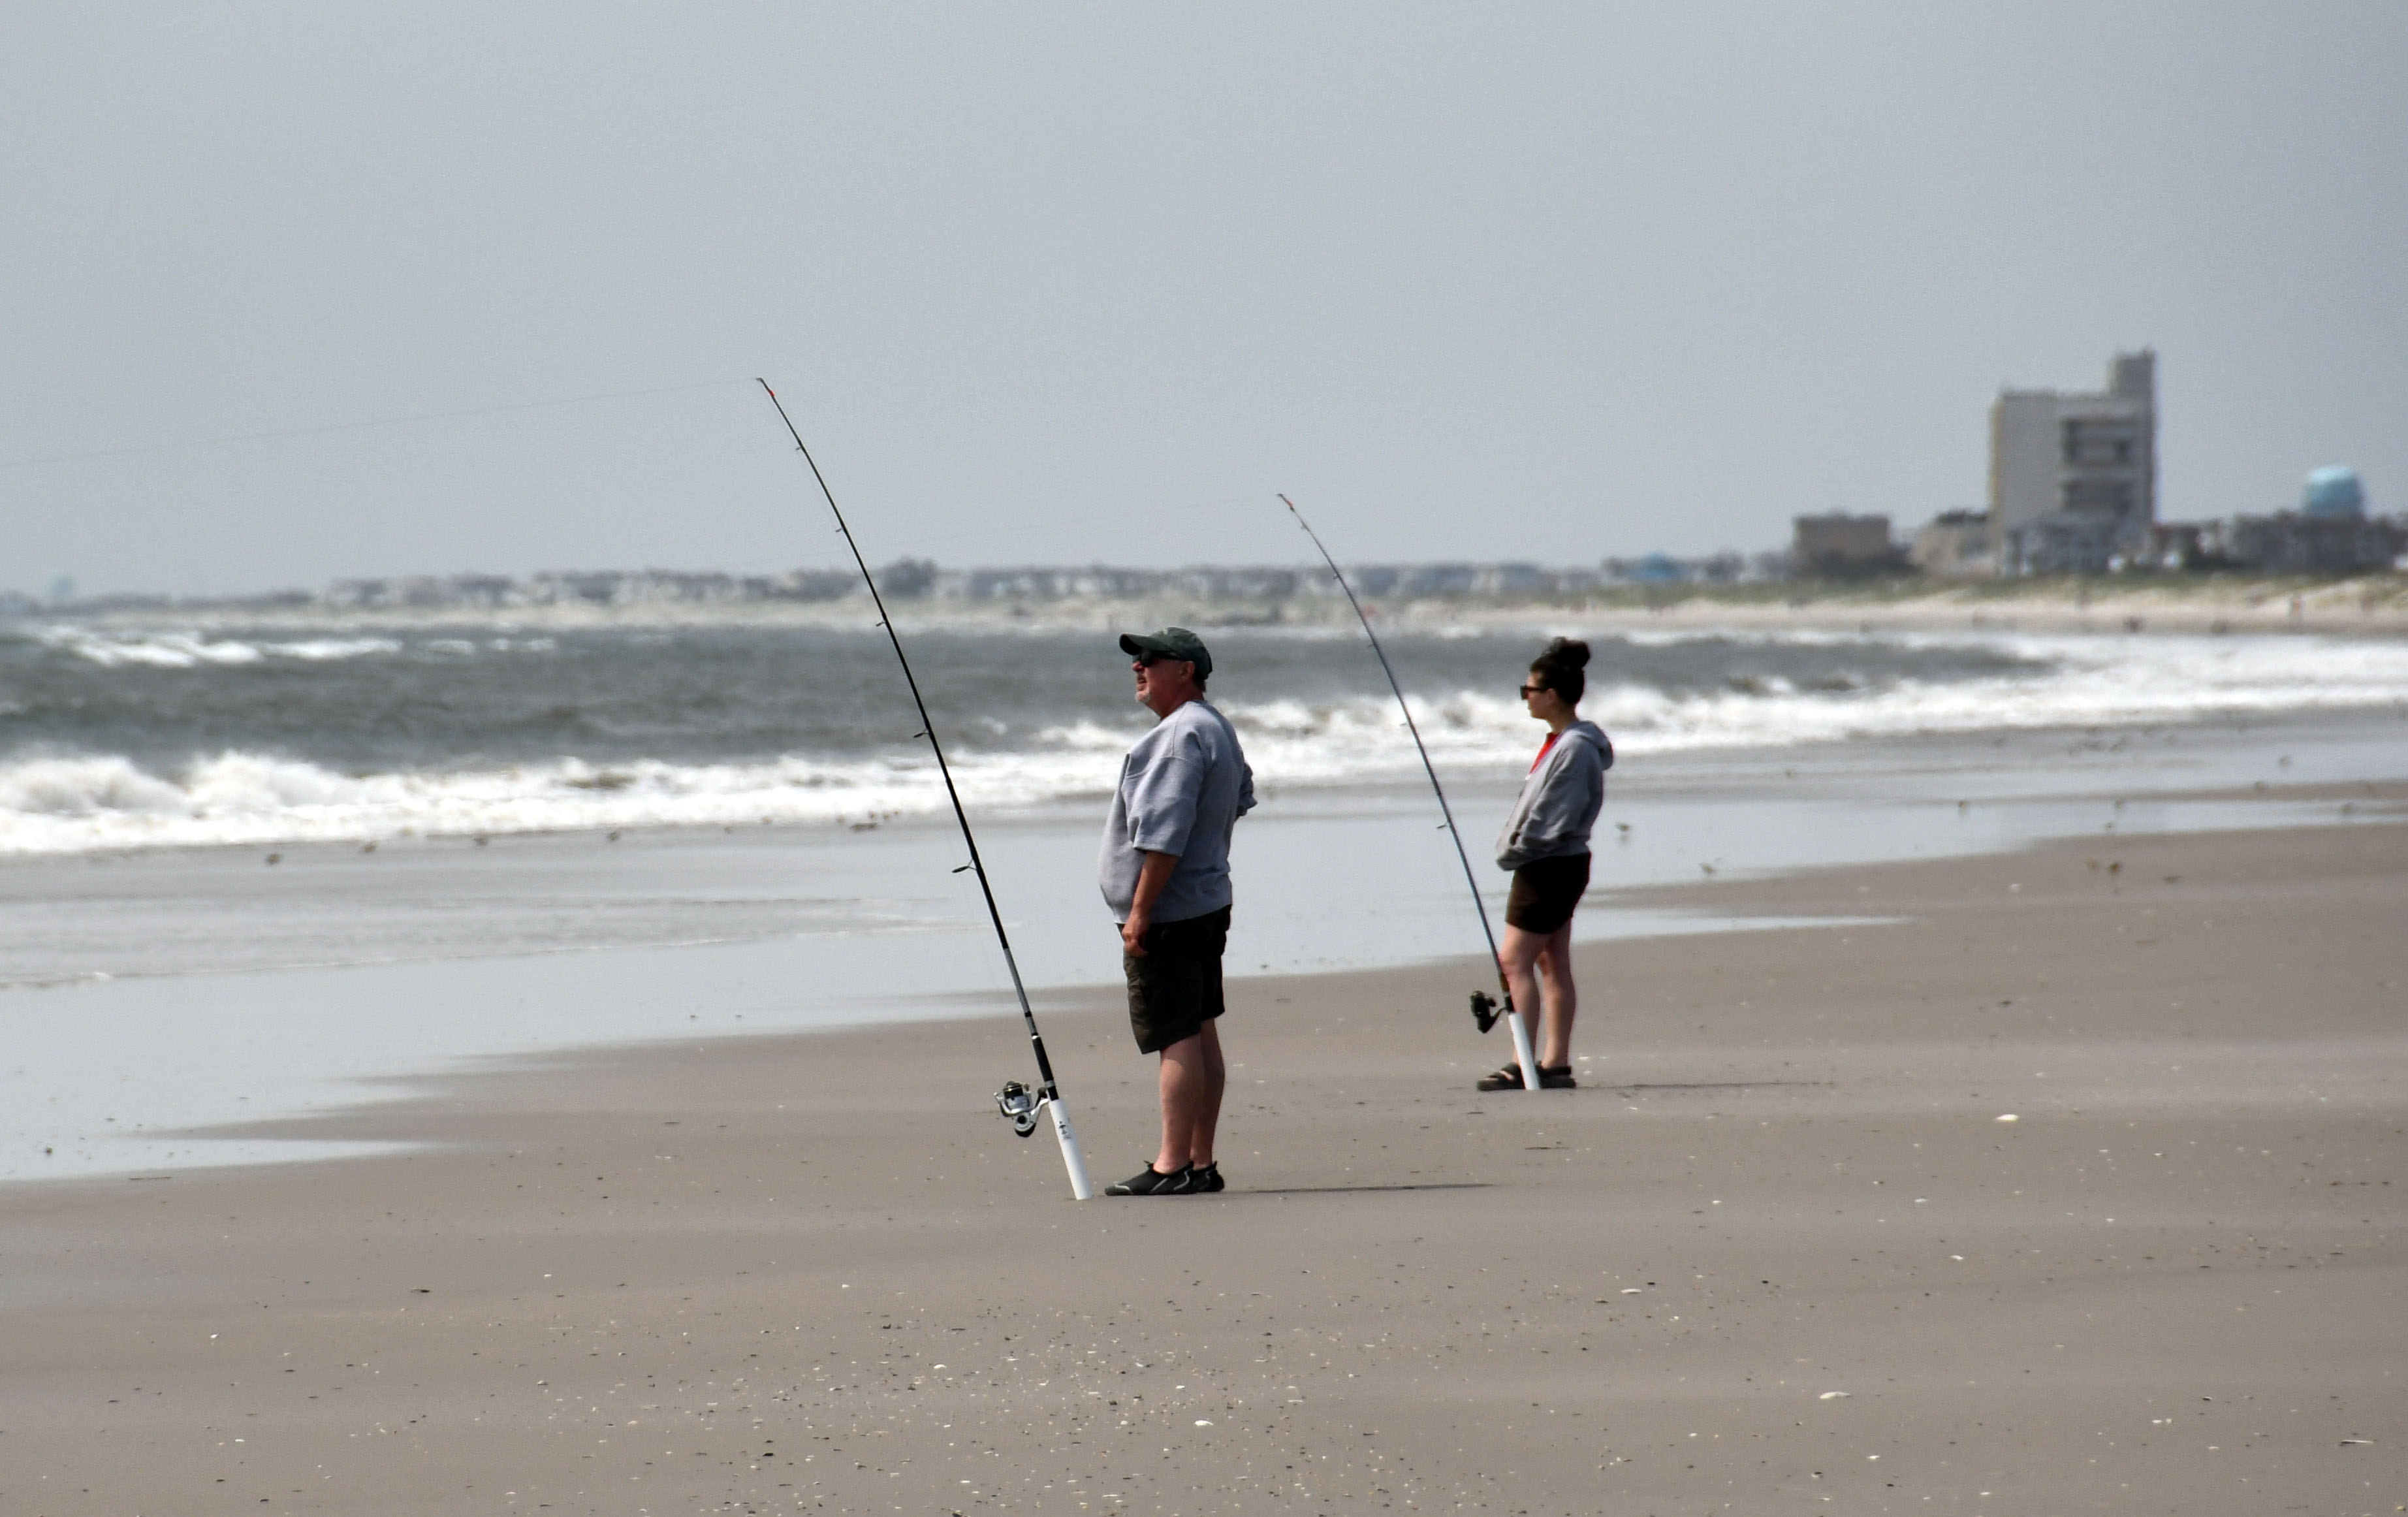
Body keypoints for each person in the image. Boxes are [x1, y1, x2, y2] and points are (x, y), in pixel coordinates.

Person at [1096, 627, 1256, 1195]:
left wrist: (1140, 911)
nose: (1137, 667)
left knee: (1177, 1035)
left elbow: (1162, 837)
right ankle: (1200, 1160)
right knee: (1199, 1029)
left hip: (1171, 912)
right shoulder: (1216, 727)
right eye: (1136, 660)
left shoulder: (1176, 737)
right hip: (1206, 900)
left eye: (1149, 659)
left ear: (1185, 669)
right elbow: (1240, 798)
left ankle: (1172, 1165)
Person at [1480, 636, 1611, 1092]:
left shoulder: (1574, 749)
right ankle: (1553, 1064)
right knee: (1551, 961)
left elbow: (1556, 819)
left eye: (1529, 690)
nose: (1526, 698)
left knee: (1512, 960)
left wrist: (1513, 851)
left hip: (1549, 865)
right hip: (1554, 863)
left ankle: (1525, 1063)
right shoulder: (1563, 743)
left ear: (1551, 694)